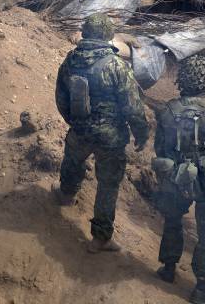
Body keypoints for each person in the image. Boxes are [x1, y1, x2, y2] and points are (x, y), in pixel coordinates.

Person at [53, 13, 149, 253]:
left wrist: (74, 121)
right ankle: (101, 238)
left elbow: (61, 96)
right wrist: (141, 132)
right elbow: (132, 106)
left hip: (80, 130)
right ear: (107, 35)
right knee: (108, 184)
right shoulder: (117, 65)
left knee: (72, 162)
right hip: (110, 136)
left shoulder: (71, 59)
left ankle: (66, 195)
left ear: (85, 33)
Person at [152, 55, 205, 304]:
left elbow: (160, 147)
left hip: (176, 175)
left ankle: (168, 268)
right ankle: (201, 287)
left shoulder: (168, 110)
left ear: (183, 81)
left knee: (172, 220)